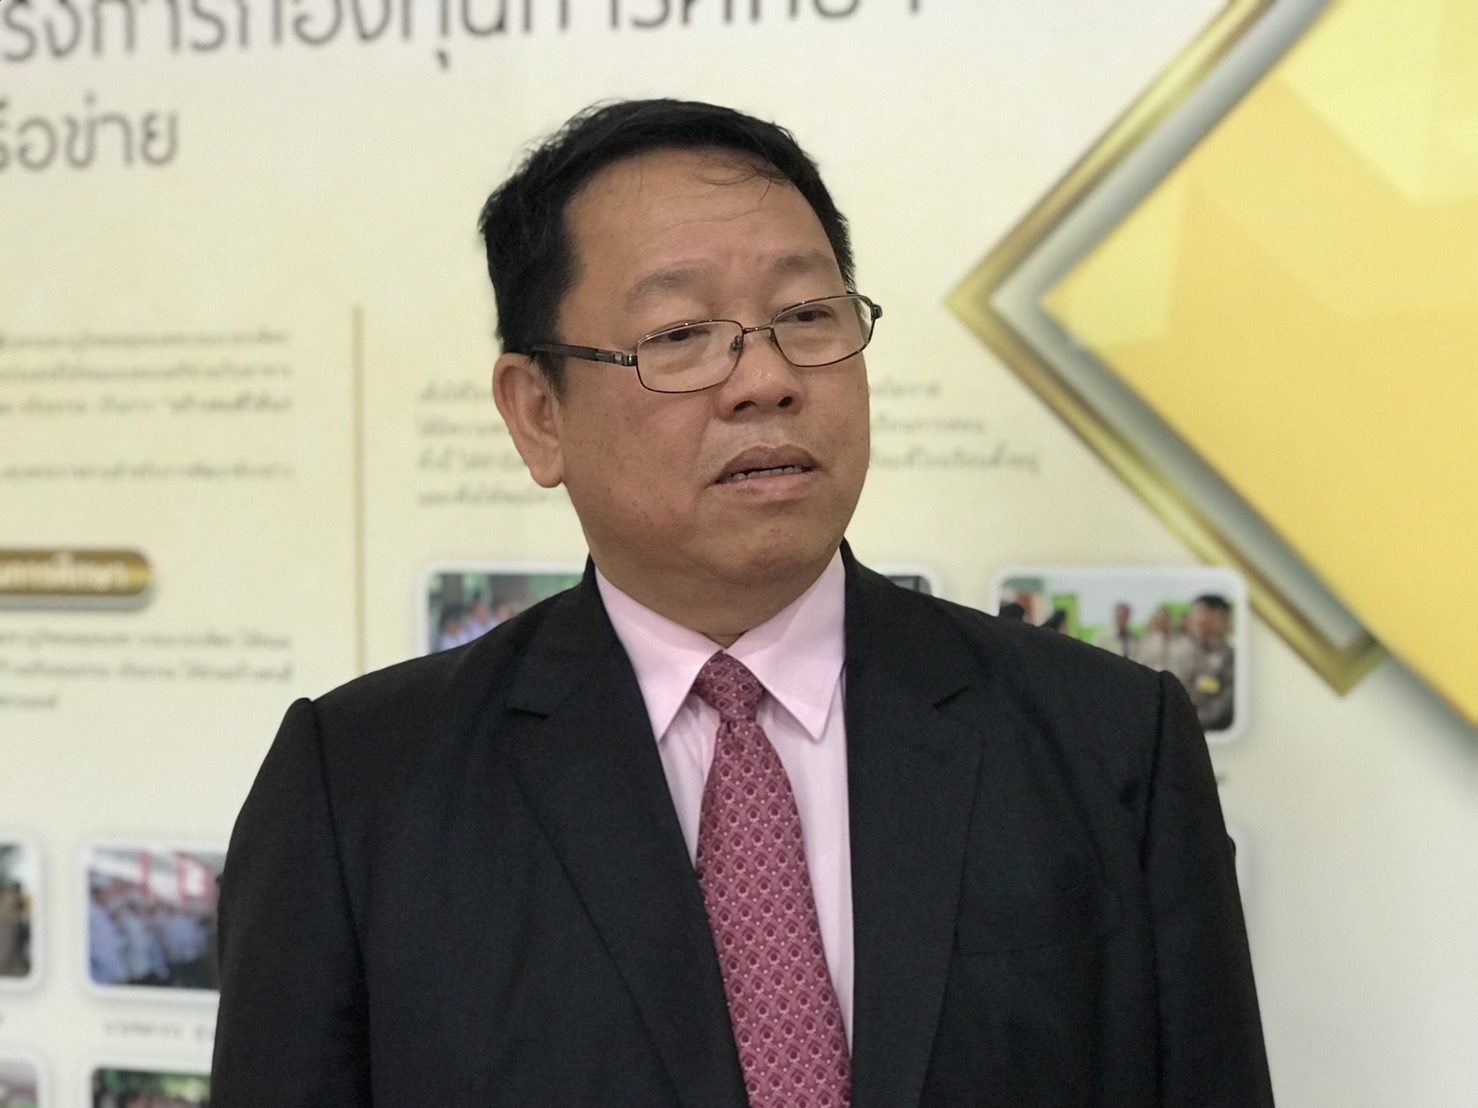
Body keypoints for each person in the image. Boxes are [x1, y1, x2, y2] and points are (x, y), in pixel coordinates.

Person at [212, 99, 1271, 1106]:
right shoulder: (361, 789)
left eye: (806, 316)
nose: (766, 379)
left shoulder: (1108, 741)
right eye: (680, 334)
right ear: (538, 414)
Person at [1184, 593, 1237, 731]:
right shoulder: (1190, 650)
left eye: (1199, 612)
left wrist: (1189, 723)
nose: (1193, 618)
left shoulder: (1231, 656)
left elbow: (1225, 703)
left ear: (1219, 616)